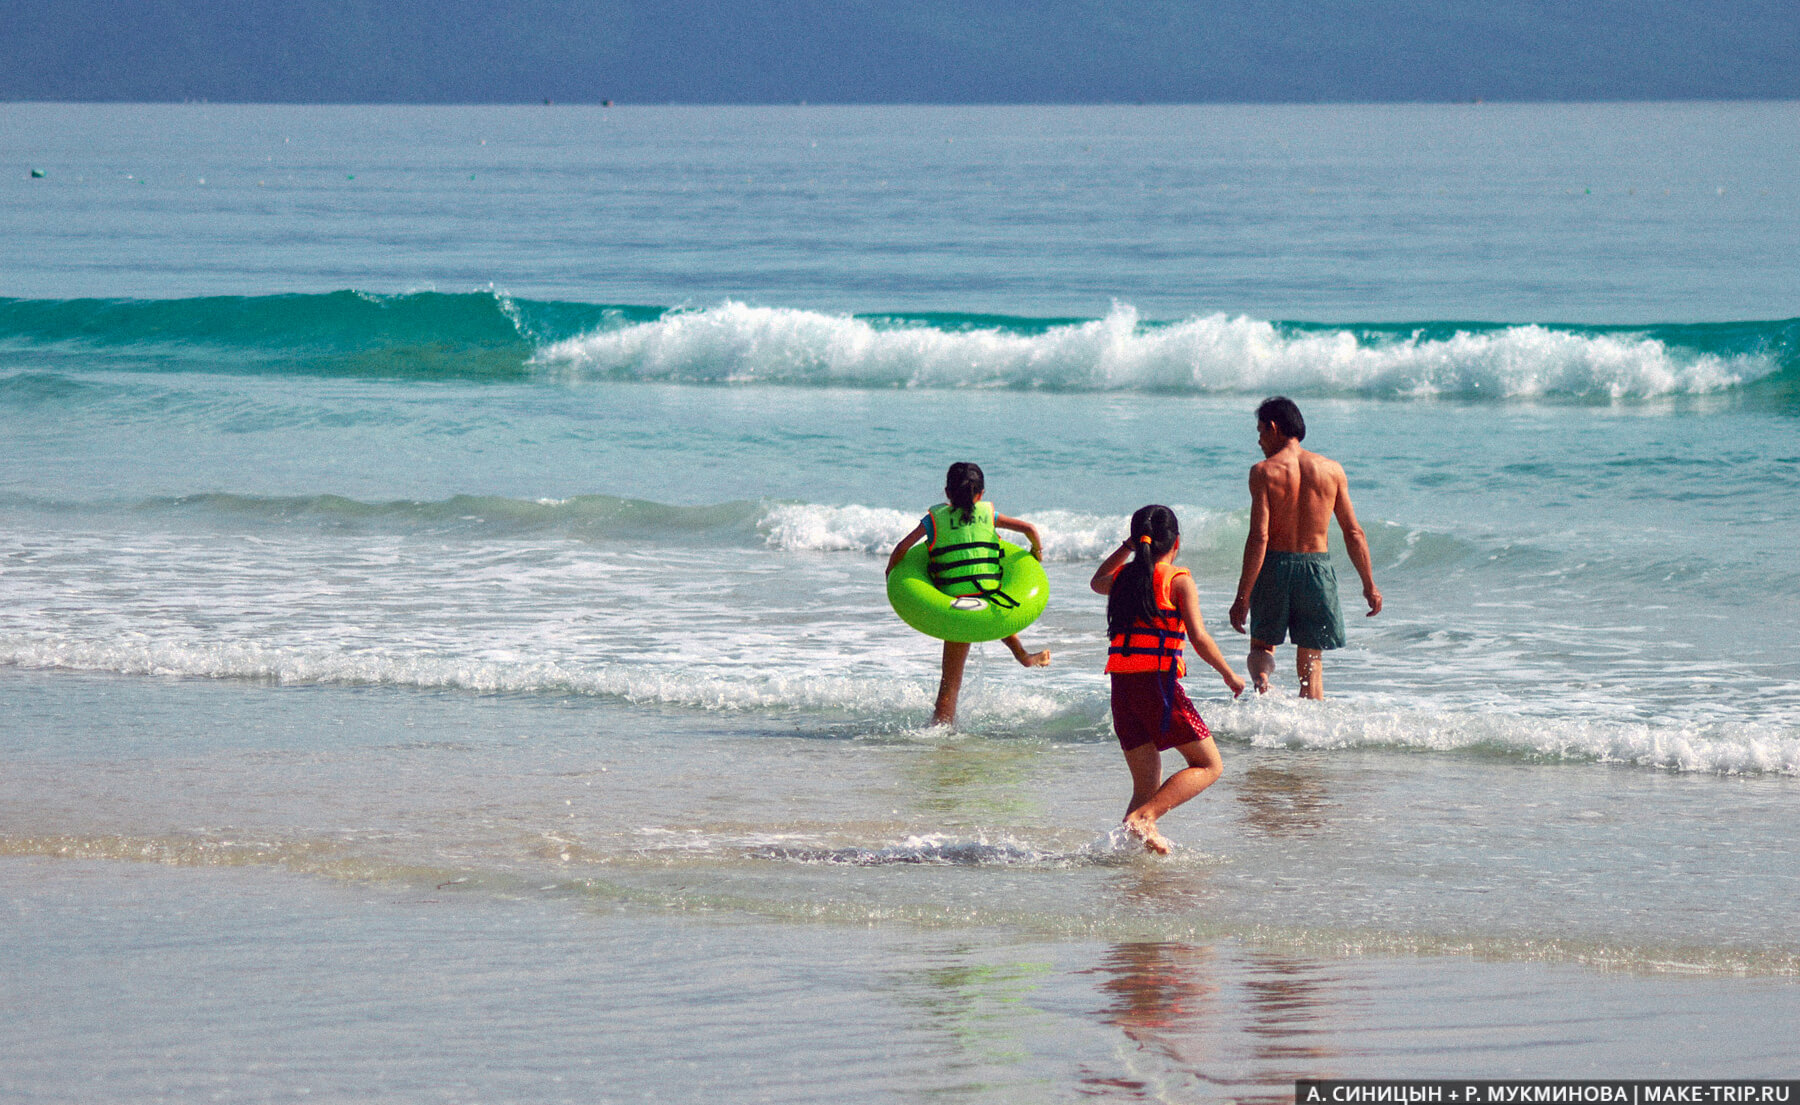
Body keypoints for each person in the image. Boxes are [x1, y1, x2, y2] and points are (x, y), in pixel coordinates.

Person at [1090, 505, 1245, 854]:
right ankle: (1144, 819)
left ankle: (1128, 857)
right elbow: (1199, 638)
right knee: (1209, 764)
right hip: (1157, 687)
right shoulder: (1178, 580)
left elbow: (1095, 581)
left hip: (1123, 687)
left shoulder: (1123, 578)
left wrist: (1127, 548)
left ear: (1137, 540)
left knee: (1146, 784)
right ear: (1177, 542)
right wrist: (1229, 674)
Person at [1228, 396, 1382, 699]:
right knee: (1312, 661)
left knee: (1261, 646)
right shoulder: (1332, 470)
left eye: (1260, 431)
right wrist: (1369, 585)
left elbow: (1259, 537)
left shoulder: (1263, 471)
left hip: (1274, 567)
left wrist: (1242, 596)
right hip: (1317, 569)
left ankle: (1262, 682)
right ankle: (1310, 733)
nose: (1259, 440)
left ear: (1274, 428)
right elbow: (1353, 532)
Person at [887, 462, 1051, 727]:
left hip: (957, 607)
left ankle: (941, 731)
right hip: (992, 599)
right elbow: (1030, 530)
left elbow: (902, 547)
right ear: (981, 494)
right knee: (994, 617)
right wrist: (1036, 554)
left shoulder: (934, 520)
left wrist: (891, 575)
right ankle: (1024, 657)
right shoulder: (990, 515)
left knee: (949, 683)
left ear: (947, 492)